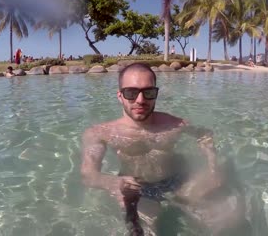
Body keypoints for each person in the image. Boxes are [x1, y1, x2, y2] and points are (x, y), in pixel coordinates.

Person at [81, 63, 248, 235]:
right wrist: (111, 182)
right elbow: (88, 175)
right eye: (131, 92)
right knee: (143, 232)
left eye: (148, 92)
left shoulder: (173, 124)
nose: (140, 100)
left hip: (179, 182)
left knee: (229, 219)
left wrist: (213, 167)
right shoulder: (100, 133)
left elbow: (204, 134)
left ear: (156, 95)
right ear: (120, 96)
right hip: (138, 189)